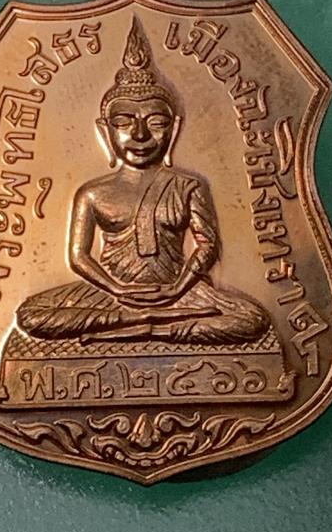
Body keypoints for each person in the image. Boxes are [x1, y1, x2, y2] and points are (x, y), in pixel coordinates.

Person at [17, 17, 270, 344]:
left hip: (178, 291)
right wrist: (116, 289)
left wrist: (178, 288)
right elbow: (79, 256)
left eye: (155, 122)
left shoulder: (188, 186)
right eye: (124, 122)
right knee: (31, 315)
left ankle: (157, 329)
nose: (139, 134)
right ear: (105, 130)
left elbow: (207, 245)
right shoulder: (93, 193)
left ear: (173, 129)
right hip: (112, 293)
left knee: (252, 319)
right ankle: (135, 320)